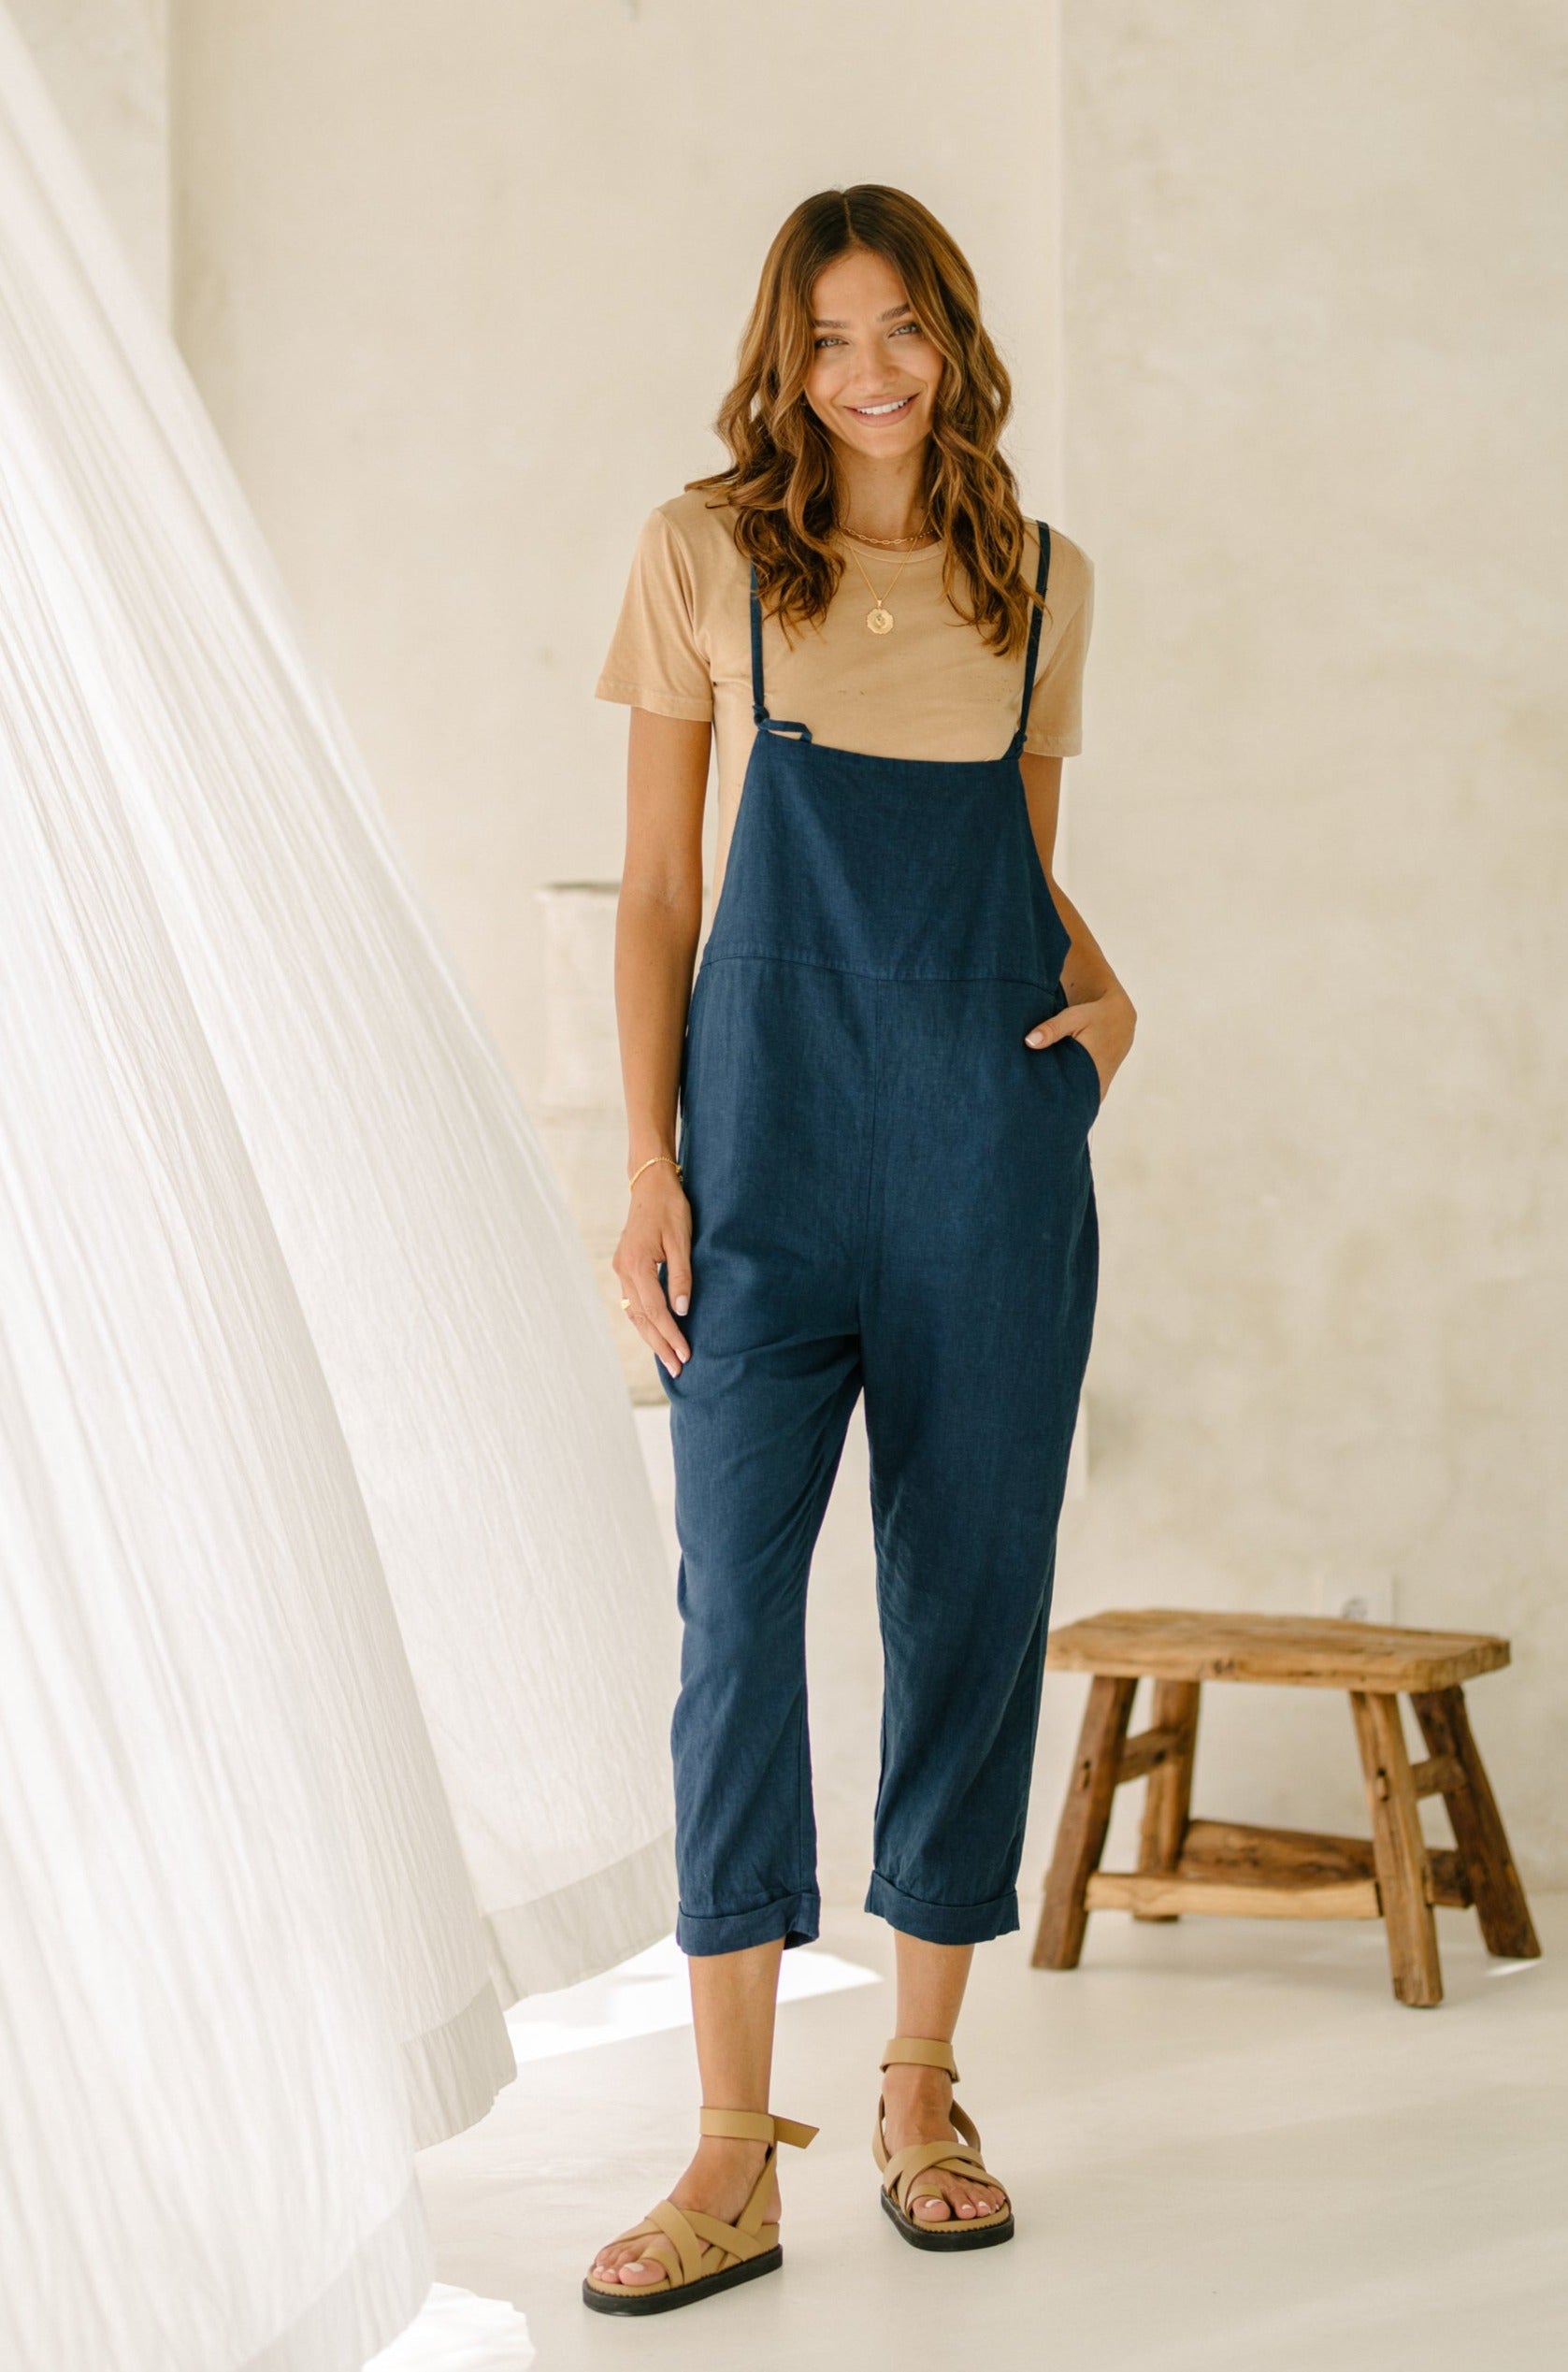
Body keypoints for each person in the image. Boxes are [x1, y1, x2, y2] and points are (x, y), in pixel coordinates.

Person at [583, 183, 1135, 2317]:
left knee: (968, 1604)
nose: (869, 373)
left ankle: (919, 2087)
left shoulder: (1039, 584)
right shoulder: (703, 551)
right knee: (733, 1629)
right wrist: (649, 1166)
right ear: (782, 356)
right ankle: (728, 2152)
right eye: (827, 339)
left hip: (988, 1167)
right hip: (761, 1173)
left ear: (952, 339)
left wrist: (1109, 1009)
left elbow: (1020, 884)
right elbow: (652, 890)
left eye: (899, 329)